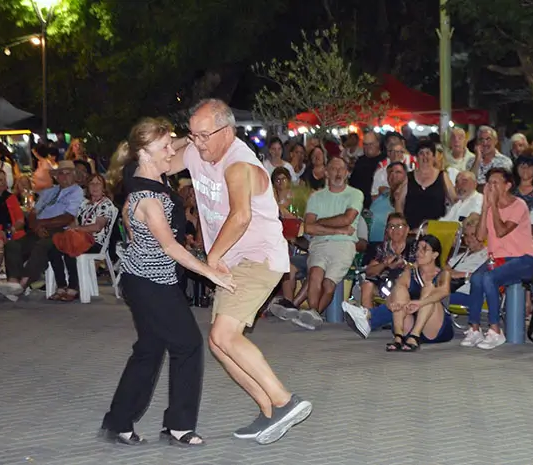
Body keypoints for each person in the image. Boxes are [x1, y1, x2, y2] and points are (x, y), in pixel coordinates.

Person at [177, 99, 312, 445]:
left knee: (224, 336)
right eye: (193, 135)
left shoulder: (240, 164)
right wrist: (163, 144)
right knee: (218, 342)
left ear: (227, 131)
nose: (198, 143)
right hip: (232, 260)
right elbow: (160, 160)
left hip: (257, 257)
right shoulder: (195, 151)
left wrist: (211, 258)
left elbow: (241, 217)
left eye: (204, 135)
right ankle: (269, 412)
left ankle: (284, 401)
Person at [99, 117, 235, 447]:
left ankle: (118, 421)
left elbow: (173, 147)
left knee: (149, 349)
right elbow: (171, 247)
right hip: (151, 284)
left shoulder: (144, 175)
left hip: (144, 278)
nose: (171, 152)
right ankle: (178, 426)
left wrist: (195, 136)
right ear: (145, 153)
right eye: (164, 147)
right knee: (188, 344)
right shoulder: (148, 197)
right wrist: (210, 272)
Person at [460, 168, 533, 350]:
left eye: (495, 183)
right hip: (498, 259)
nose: (491, 186)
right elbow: (480, 236)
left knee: (489, 278)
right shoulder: (489, 208)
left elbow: (502, 231)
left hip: (523, 259)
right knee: (476, 278)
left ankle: (495, 329)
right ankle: (474, 328)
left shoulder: (518, 205)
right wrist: (485, 207)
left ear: (507, 185)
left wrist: (493, 206)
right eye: (489, 183)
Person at [282, 156, 362, 329]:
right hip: (319, 243)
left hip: (344, 245)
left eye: (341, 169)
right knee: (315, 274)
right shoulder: (316, 197)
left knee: (328, 284)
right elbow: (309, 228)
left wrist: (321, 222)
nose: (338, 173)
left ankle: (313, 314)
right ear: (326, 172)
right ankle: (312, 312)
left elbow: (347, 219)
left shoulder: (355, 194)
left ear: (347, 173)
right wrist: (338, 230)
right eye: (333, 169)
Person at [342, 234, 454, 350]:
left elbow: (444, 291)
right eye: (418, 249)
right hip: (410, 324)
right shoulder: (409, 273)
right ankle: (398, 337)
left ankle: (413, 335)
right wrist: (390, 303)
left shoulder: (443, 273)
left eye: (424, 249)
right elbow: (394, 292)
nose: (419, 252)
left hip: (435, 327)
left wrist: (420, 303)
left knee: (428, 289)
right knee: (399, 290)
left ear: (435, 255)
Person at [0, 161, 84, 301]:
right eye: (61, 173)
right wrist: (36, 227)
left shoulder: (76, 191)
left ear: (74, 175)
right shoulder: (49, 191)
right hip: (38, 228)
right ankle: (13, 281)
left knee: (42, 246)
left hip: (60, 230)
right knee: (12, 245)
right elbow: (33, 213)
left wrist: (42, 224)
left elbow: (68, 217)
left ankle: (23, 283)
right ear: (56, 176)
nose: (64, 177)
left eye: (68, 173)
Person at [47, 174, 118, 301]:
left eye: (98, 184)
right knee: (54, 249)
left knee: (71, 248)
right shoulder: (84, 203)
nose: (94, 186)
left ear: (103, 187)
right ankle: (61, 286)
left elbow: (97, 227)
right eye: (92, 184)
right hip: (80, 238)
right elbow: (72, 219)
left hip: (95, 242)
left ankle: (73, 288)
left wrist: (77, 229)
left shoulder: (106, 204)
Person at [357, 212, 416, 309]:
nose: (395, 230)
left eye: (399, 226)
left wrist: (405, 265)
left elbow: (420, 268)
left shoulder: (414, 246)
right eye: (391, 226)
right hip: (384, 286)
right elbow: (369, 272)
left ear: (407, 229)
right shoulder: (383, 248)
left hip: (406, 287)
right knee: (367, 285)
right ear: (387, 230)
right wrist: (385, 264)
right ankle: (366, 317)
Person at [396, 140, 455, 229]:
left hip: (435, 229)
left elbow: (454, 200)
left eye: (428, 153)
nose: (425, 156)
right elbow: (399, 203)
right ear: (416, 157)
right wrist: (401, 225)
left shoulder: (443, 176)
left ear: (433, 157)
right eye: (421, 153)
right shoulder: (408, 177)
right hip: (411, 230)